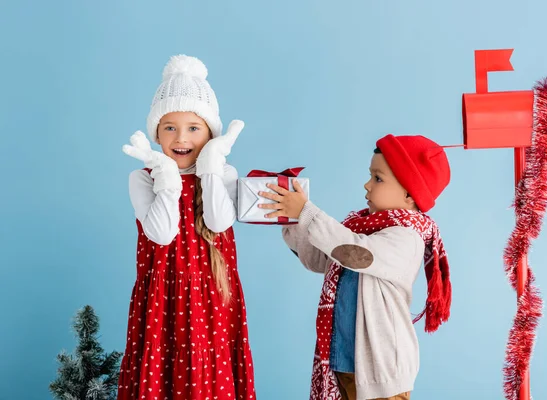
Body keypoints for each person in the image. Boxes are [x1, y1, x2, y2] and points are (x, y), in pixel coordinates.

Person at [259, 134, 452, 400]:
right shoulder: (361, 229)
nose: (367, 185)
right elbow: (319, 257)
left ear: (409, 194)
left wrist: (306, 212)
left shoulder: (406, 238)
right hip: (345, 362)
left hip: (381, 372)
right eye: (370, 175)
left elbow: (353, 252)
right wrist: (292, 219)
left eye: (378, 178)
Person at [118, 54, 255, 399]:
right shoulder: (143, 179)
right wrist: (166, 176)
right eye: (170, 128)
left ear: (210, 133)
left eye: (194, 128)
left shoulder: (223, 175)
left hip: (213, 295)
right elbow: (162, 233)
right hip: (162, 300)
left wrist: (209, 168)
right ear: (157, 134)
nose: (181, 138)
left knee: (211, 374)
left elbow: (218, 221)